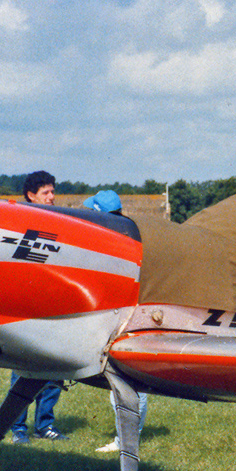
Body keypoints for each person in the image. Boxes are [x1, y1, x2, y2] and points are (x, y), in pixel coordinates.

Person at [83, 189, 149, 453]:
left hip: (126, 317)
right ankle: (126, 438)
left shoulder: (113, 240)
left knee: (129, 385)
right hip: (123, 314)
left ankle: (126, 442)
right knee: (123, 384)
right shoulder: (130, 234)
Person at [9, 171, 68, 443]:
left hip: (56, 305)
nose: (52, 197)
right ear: (31, 195)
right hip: (29, 307)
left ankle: (45, 425)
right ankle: (18, 428)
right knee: (23, 369)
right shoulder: (21, 225)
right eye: (46, 192)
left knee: (55, 369)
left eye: (53, 191)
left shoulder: (61, 223)